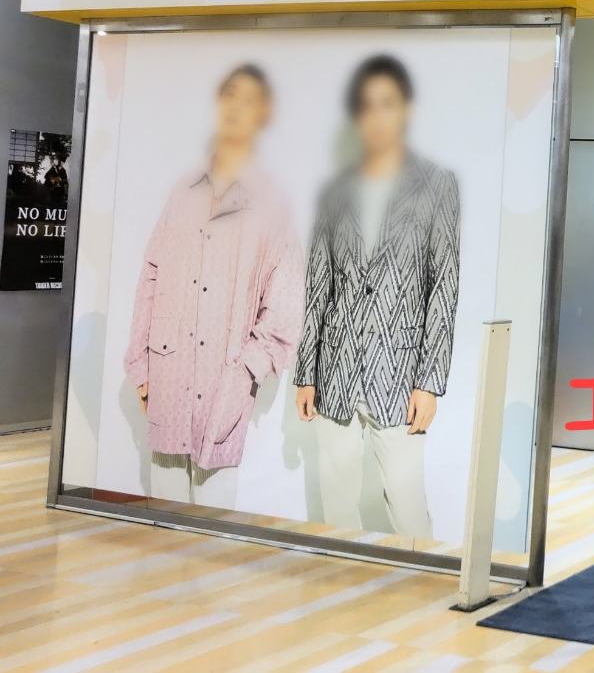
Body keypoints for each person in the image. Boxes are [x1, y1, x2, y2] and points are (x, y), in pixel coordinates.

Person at [292, 54, 460, 538]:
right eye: (367, 106)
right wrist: (306, 372)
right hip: (335, 371)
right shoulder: (334, 192)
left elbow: (444, 287)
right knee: (337, 509)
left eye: (388, 103)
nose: (377, 116)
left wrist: (429, 382)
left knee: (408, 511)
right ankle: (343, 583)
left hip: (400, 374)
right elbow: (318, 285)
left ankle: (421, 581)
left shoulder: (437, 185)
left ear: (406, 109)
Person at [125, 65, 302, 508]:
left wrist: (245, 372)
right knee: (164, 514)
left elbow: (284, 309)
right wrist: (140, 366)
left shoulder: (272, 205)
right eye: (230, 94)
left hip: (225, 384)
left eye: (249, 99)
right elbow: (151, 275)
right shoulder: (183, 191)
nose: (236, 107)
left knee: (213, 520)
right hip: (168, 374)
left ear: (263, 114)